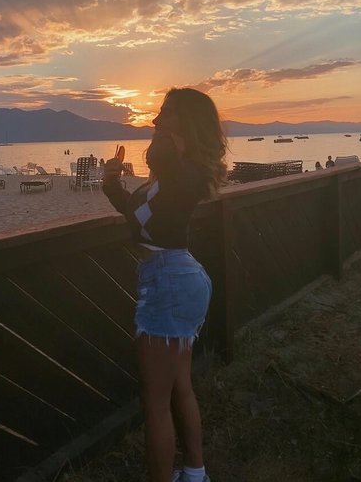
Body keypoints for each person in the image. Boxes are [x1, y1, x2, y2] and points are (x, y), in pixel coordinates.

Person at [102, 88, 227, 482]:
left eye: (165, 113)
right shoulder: (171, 178)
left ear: (187, 120)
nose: (155, 120)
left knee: (155, 401)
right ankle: (195, 474)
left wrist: (166, 144)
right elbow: (138, 215)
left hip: (169, 281)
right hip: (175, 279)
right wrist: (111, 182)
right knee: (178, 387)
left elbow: (159, 158)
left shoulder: (185, 172)